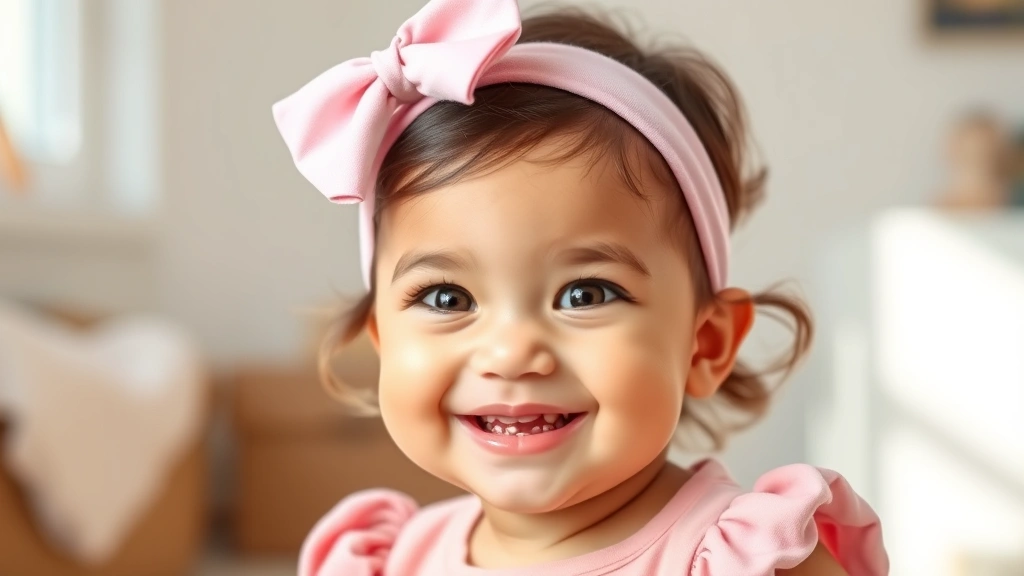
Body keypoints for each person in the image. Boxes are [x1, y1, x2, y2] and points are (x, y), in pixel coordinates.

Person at [271, 0, 889, 573]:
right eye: (447, 299)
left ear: (704, 344)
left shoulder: (749, 559)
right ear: (382, 340)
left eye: (585, 294)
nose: (511, 352)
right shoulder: (390, 559)